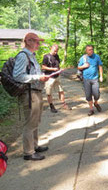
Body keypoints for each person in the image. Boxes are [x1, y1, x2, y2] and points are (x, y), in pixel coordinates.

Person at [13, 32, 49, 161]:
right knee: (30, 122)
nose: (39, 44)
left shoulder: (32, 56)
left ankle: (34, 146)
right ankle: (28, 152)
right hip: (29, 93)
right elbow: (17, 76)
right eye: (36, 41)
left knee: (35, 121)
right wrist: (37, 77)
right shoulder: (23, 56)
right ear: (28, 41)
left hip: (35, 91)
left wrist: (41, 77)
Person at [42, 44, 71, 113]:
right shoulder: (46, 57)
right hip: (49, 77)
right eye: (55, 51)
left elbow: (58, 66)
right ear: (51, 48)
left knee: (61, 91)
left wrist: (60, 70)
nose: (56, 52)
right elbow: (43, 67)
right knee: (49, 92)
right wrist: (52, 69)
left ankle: (64, 104)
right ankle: (51, 106)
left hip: (57, 76)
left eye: (57, 51)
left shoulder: (57, 56)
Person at [78, 45, 103, 116]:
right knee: (88, 95)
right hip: (86, 79)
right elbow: (79, 67)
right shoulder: (83, 58)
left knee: (96, 94)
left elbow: (100, 66)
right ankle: (91, 109)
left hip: (95, 78)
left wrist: (101, 76)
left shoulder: (97, 57)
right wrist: (84, 66)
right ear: (86, 51)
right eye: (89, 50)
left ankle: (96, 103)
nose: (91, 51)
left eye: (92, 49)